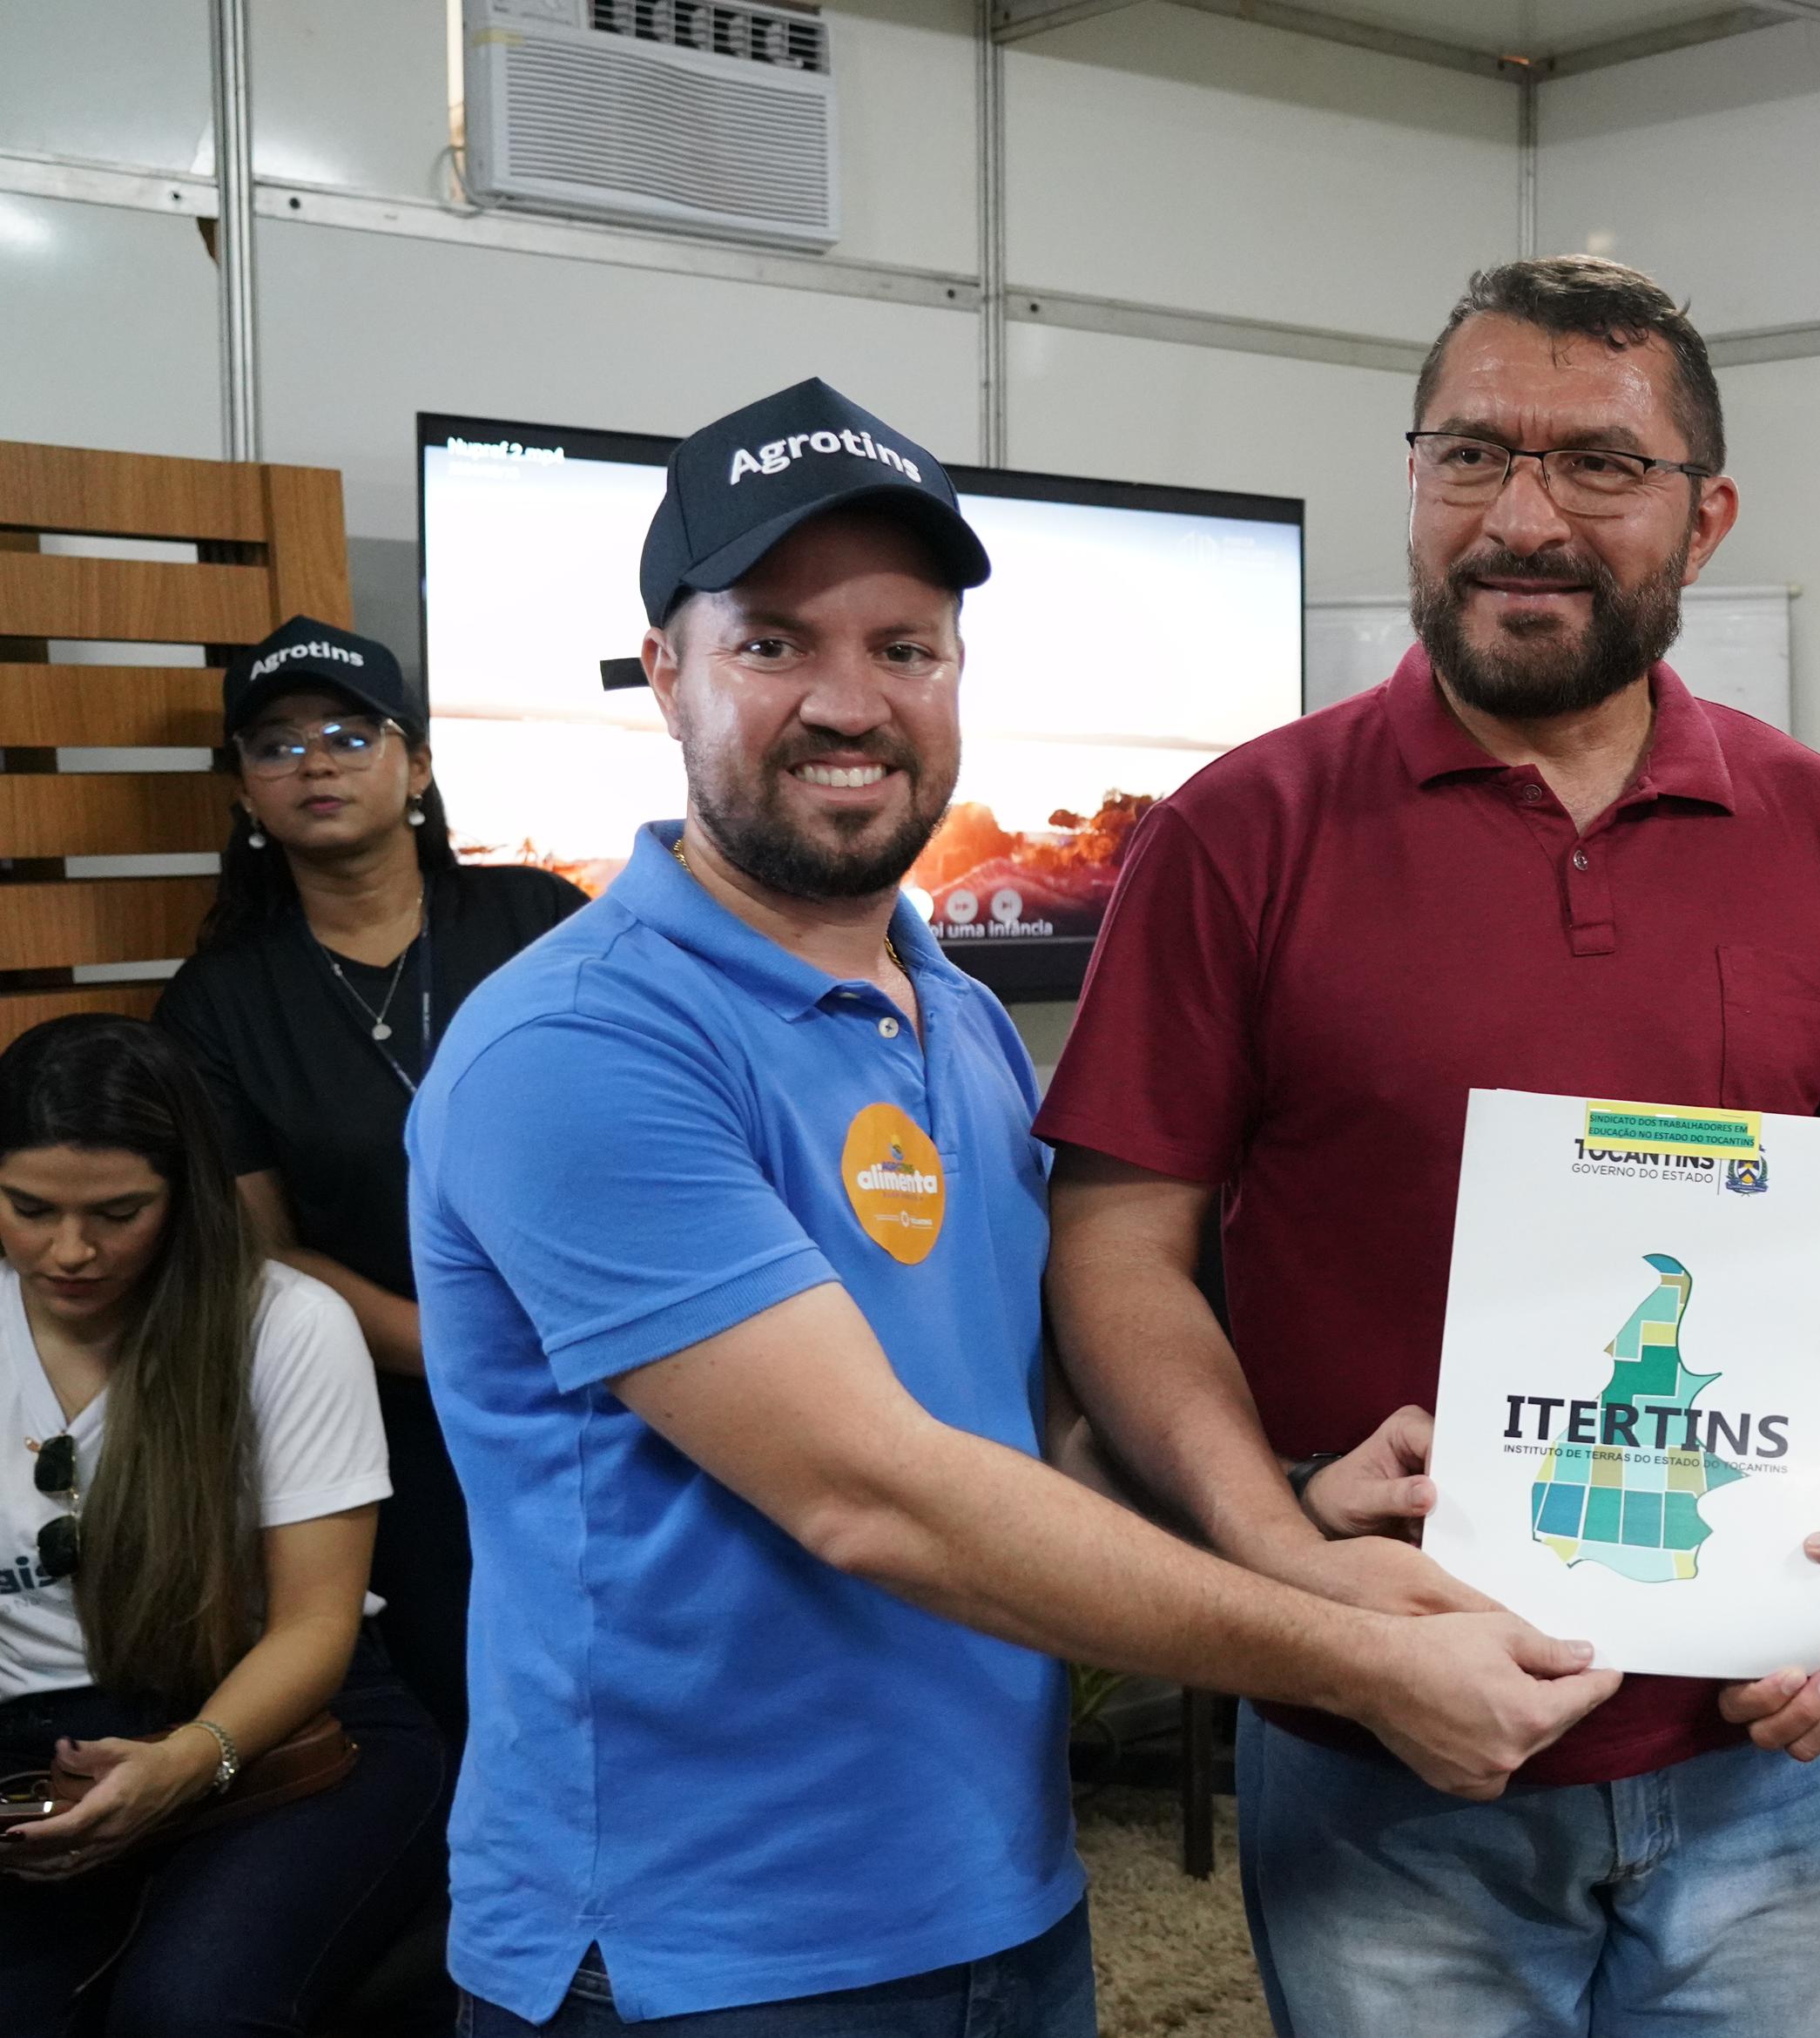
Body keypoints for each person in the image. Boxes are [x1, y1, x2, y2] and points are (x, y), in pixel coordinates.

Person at [406, 378, 1621, 2035]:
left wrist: (1291, 1507)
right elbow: (874, 1496)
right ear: (665, 668)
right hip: (702, 1957)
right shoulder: (582, 1046)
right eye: (774, 643)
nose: (852, 701)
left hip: (998, 1902)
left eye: (905, 647)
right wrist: (1357, 1662)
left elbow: (1016, 1428)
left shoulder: (957, 1020)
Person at [1036, 256, 1820, 2038]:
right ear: (1410, 483)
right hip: (1382, 1755)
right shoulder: (1236, 836)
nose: (1523, 518)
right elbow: (1116, 1252)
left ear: (1705, 519)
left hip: (1764, 1760)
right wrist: (1291, 1568)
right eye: (1472, 456)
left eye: (1597, 467)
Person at [156, 615, 584, 1749]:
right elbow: (265, 1255)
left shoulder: (538, 919)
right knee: (483, 1702)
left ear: (418, 766)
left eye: (350, 733)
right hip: (395, 1406)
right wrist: (467, 1355)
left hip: (610, 1355)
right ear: (246, 793)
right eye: (278, 746)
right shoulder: (219, 1001)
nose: (317, 764)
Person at [0, 1015, 448, 2033]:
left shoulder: (283, 1323)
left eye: (119, 1212)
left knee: (192, 2010)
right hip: (37, 1751)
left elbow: (315, 1628)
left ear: (184, 1195)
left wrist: (184, 1765)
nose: (69, 1251)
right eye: (29, 1209)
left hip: (271, 1731)